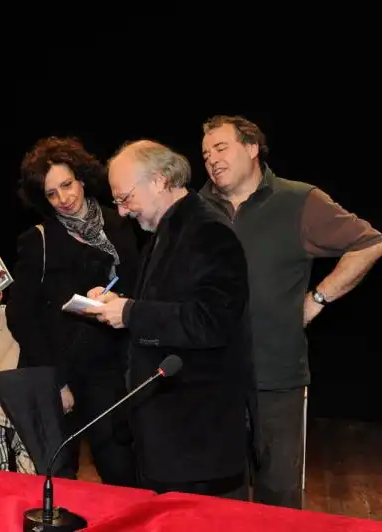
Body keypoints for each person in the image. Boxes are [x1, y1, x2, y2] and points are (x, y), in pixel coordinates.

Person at [199, 115, 382, 508]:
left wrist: (317, 299)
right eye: (205, 154)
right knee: (217, 493)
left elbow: (370, 243)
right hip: (212, 377)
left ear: (252, 148)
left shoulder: (298, 199)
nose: (212, 159)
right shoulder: (197, 208)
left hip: (276, 375)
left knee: (279, 495)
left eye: (221, 148)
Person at [84, 139, 252, 499]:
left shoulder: (207, 230)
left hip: (196, 439)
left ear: (160, 180)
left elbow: (211, 320)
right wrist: (121, 303)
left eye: (125, 198)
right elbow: (167, 304)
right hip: (168, 435)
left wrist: (130, 312)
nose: (124, 212)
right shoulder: (166, 231)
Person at [5, 136, 139, 486]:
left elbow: (140, 287)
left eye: (67, 185)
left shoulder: (122, 224)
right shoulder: (39, 239)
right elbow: (20, 316)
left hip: (109, 369)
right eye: (52, 193)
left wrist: (116, 298)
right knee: (56, 475)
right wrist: (57, 380)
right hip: (57, 370)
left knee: (120, 471)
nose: (64, 199)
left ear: (81, 178)